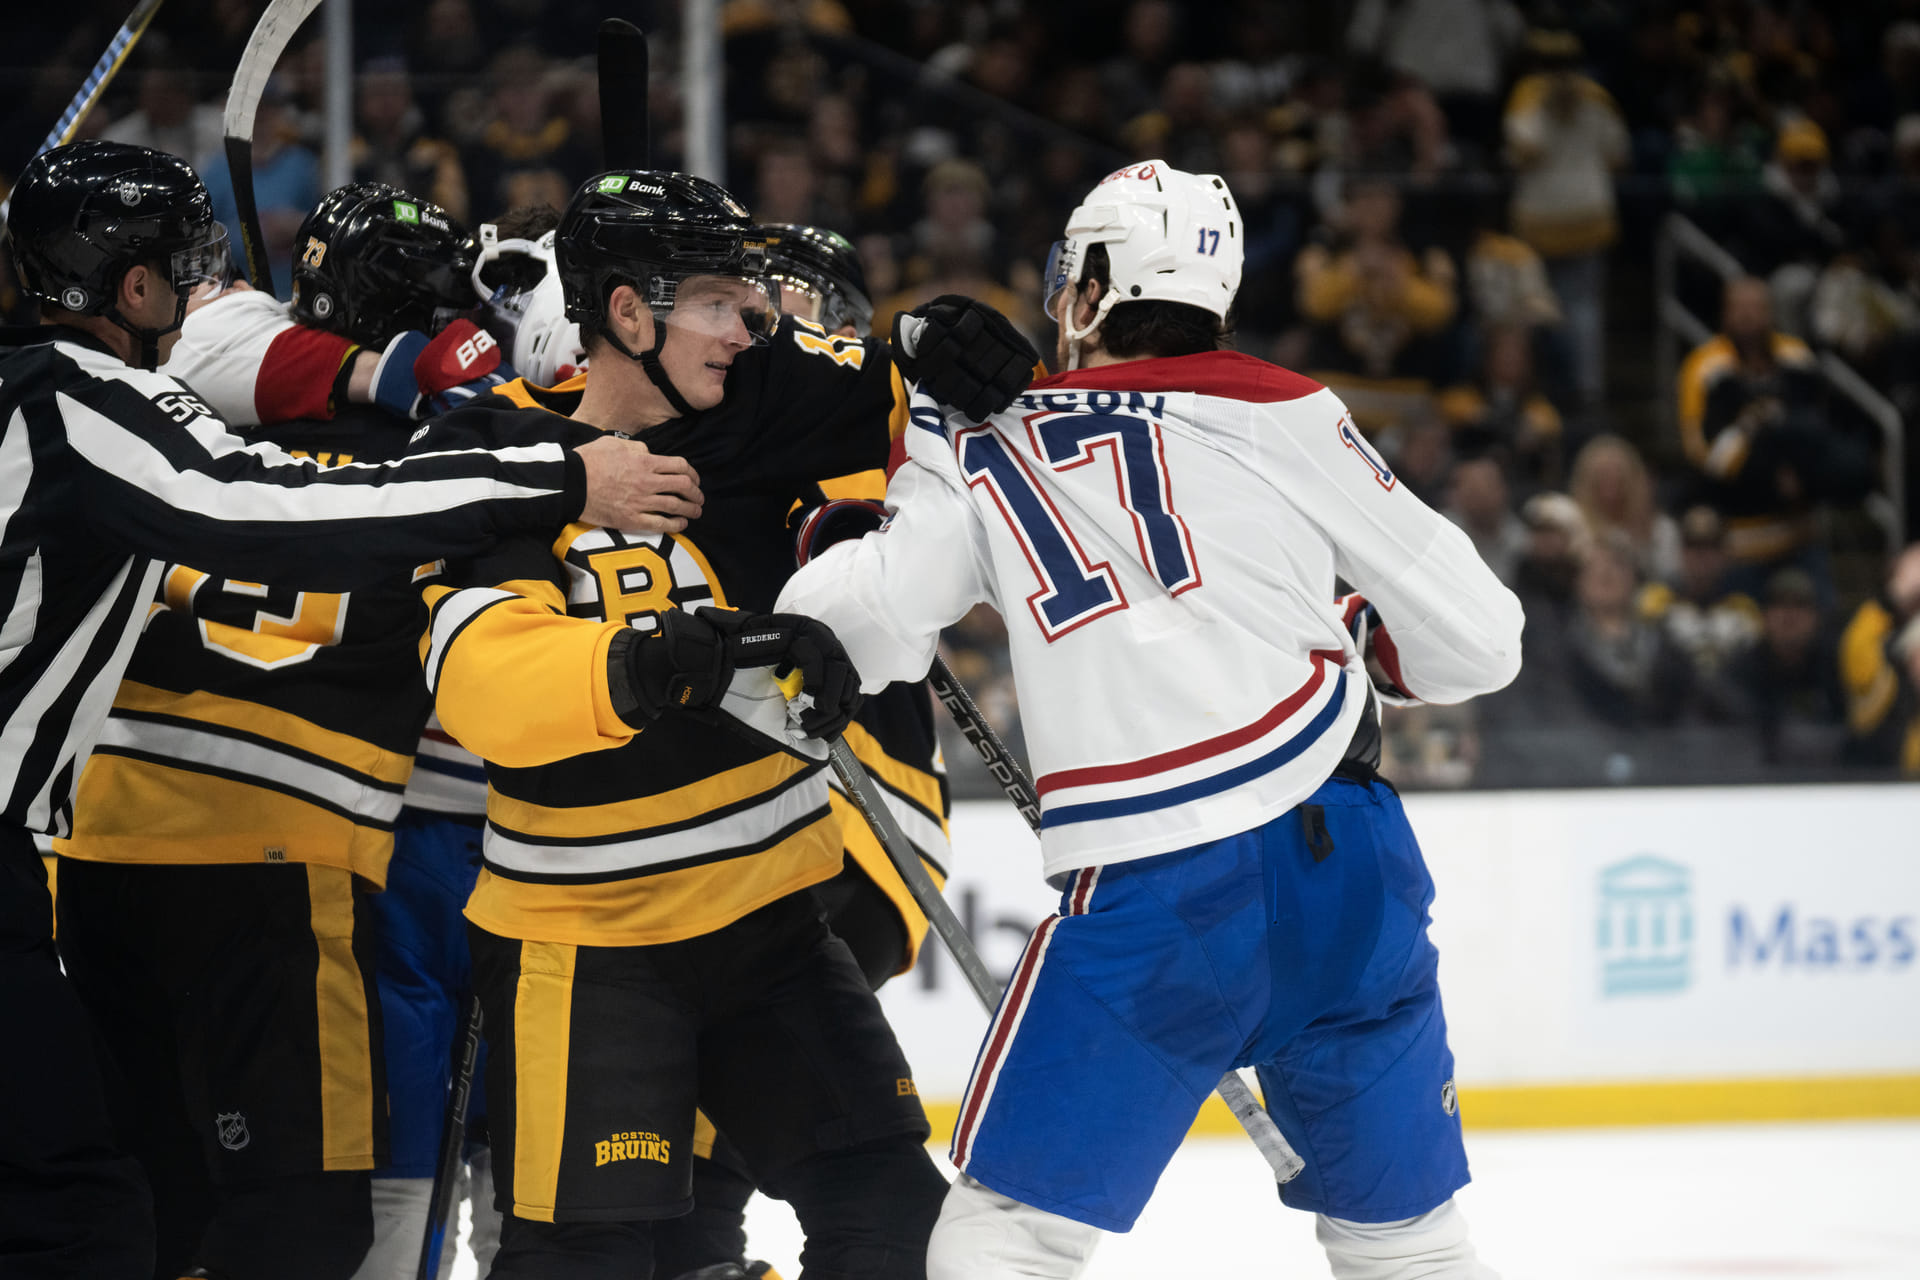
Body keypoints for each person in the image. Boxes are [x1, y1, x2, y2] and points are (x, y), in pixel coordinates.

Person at [779, 159, 1520, 1279]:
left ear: (1087, 289)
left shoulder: (980, 434)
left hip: (1167, 887)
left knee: (1008, 1238)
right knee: (1407, 1242)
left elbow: (859, 635)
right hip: (1355, 864)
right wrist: (1354, 630)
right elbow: (1484, 642)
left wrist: (857, 515)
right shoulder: (1289, 407)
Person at [0, 140, 697, 1280]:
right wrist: (550, 462)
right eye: (181, 268)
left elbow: (232, 357)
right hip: (284, 854)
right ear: (130, 286)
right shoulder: (99, 402)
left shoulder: (151, 389)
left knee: (131, 1198)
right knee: (147, 1215)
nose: (202, 289)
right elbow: (250, 500)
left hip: (91, 856)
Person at [418, 168, 1033, 1279]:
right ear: (625, 313)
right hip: (587, 939)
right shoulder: (487, 445)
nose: (749, 324)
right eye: (717, 301)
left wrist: (936, 344)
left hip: (772, 927)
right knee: (588, 1263)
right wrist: (659, 663)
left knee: (902, 1228)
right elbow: (482, 680)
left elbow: (901, 387)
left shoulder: (761, 393)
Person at [59, 181, 541, 1280]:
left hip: (104, 835)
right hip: (289, 850)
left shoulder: (176, 409)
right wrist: (443, 373)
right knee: (308, 1217)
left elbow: (217, 337)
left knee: (151, 1196)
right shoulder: (446, 458)